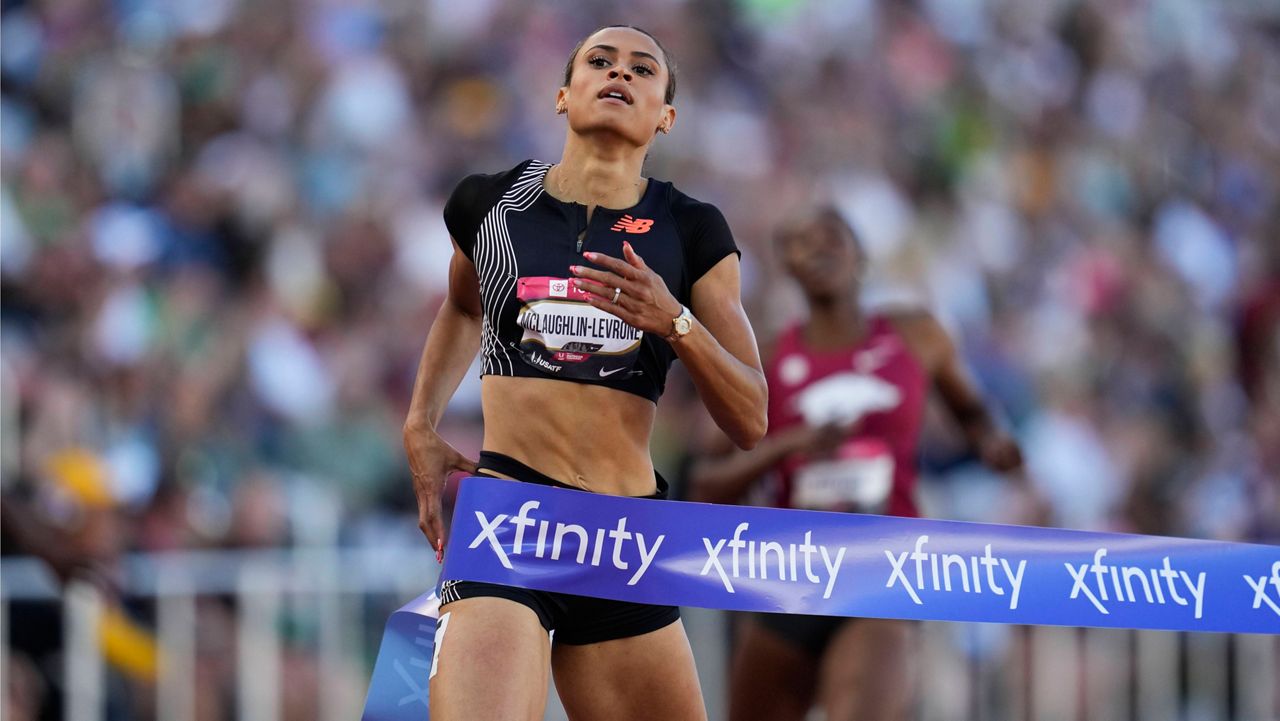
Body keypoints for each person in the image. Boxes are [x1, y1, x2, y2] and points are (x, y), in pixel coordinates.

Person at [402, 24, 768, 721]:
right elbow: (460, 306)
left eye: (642, 69)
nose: (618, 74)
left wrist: (676, 323)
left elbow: (751, 416)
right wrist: (420, 420)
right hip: (513, 520)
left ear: (666, 115)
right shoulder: (491, 204)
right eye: (599, 61)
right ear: (563, 95)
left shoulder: (693, 229)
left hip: (622, 539)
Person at [690, 207, 1029, 721]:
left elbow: (975, 416)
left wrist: (991, 444)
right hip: (789, 577)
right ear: (788, 266)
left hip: (883, 570)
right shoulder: (769, 358)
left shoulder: (917, 334)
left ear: (861, 255)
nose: (819, 249)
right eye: (803, 243)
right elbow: (704, 487)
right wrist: (791, 445)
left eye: (832, 237)